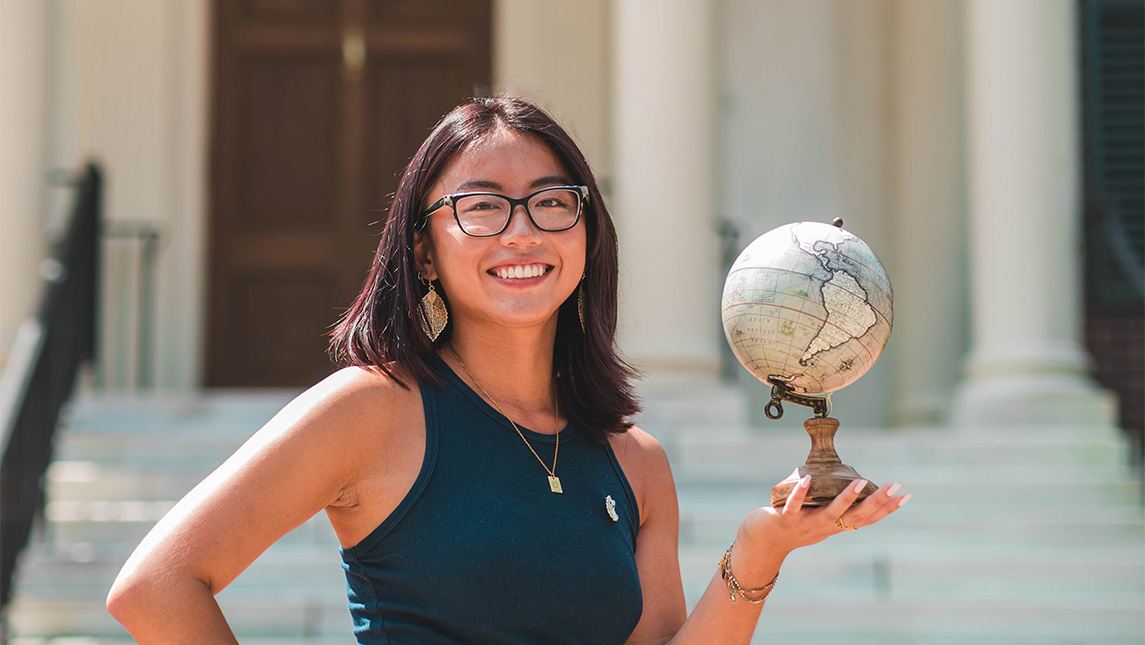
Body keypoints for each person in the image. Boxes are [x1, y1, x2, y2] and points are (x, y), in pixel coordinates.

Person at [106, 96, 910, 644]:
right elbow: (157, 585)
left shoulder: (636, 463)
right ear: (423, 247)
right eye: (481, 205)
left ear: (586, 232)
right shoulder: (373, 408)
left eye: (552, 202)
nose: (522, 232)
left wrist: (758, 548)